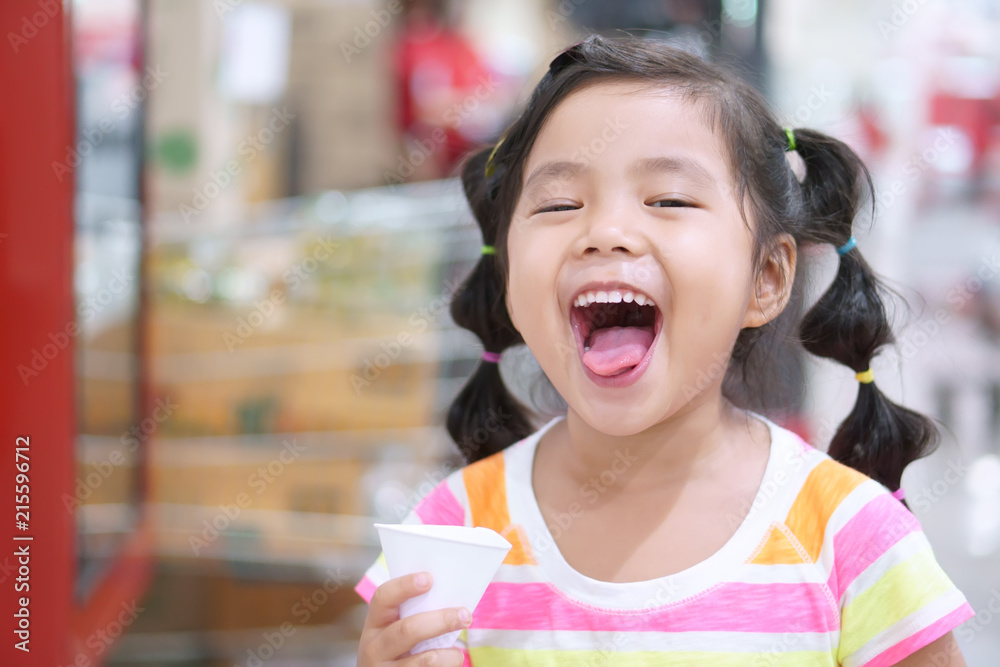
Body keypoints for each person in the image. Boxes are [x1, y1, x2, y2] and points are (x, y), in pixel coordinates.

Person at [354, 35, 976, 666]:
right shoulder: (452, 535)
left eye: (669, 200)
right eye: (560, 204)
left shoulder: (849, 539)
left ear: (766, 279)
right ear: (509, 274)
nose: (606, 233)